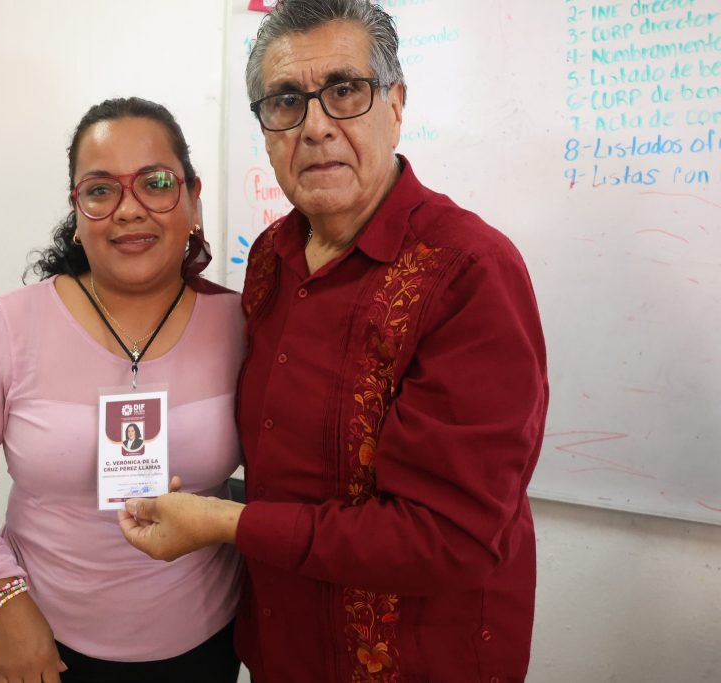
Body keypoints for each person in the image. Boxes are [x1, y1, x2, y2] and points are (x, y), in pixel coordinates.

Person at [119, 2, 550, 682]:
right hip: (284, 645)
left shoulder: (468, 272)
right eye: (286, 101)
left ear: (395, 105)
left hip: (419, 661)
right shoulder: (272, 256)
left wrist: (223, 523)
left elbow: (449, 536)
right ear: (266, 128)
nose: (315, 126)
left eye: (345, 90)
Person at [0, 97, 244, 683]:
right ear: (77, 209)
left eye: (156, 183)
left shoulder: (243, 325)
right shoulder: (8, 325)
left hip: (204, 644)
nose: (129, 210)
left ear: (193, 198)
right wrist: (1, 598)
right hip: (41, 643)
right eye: (100, 190)